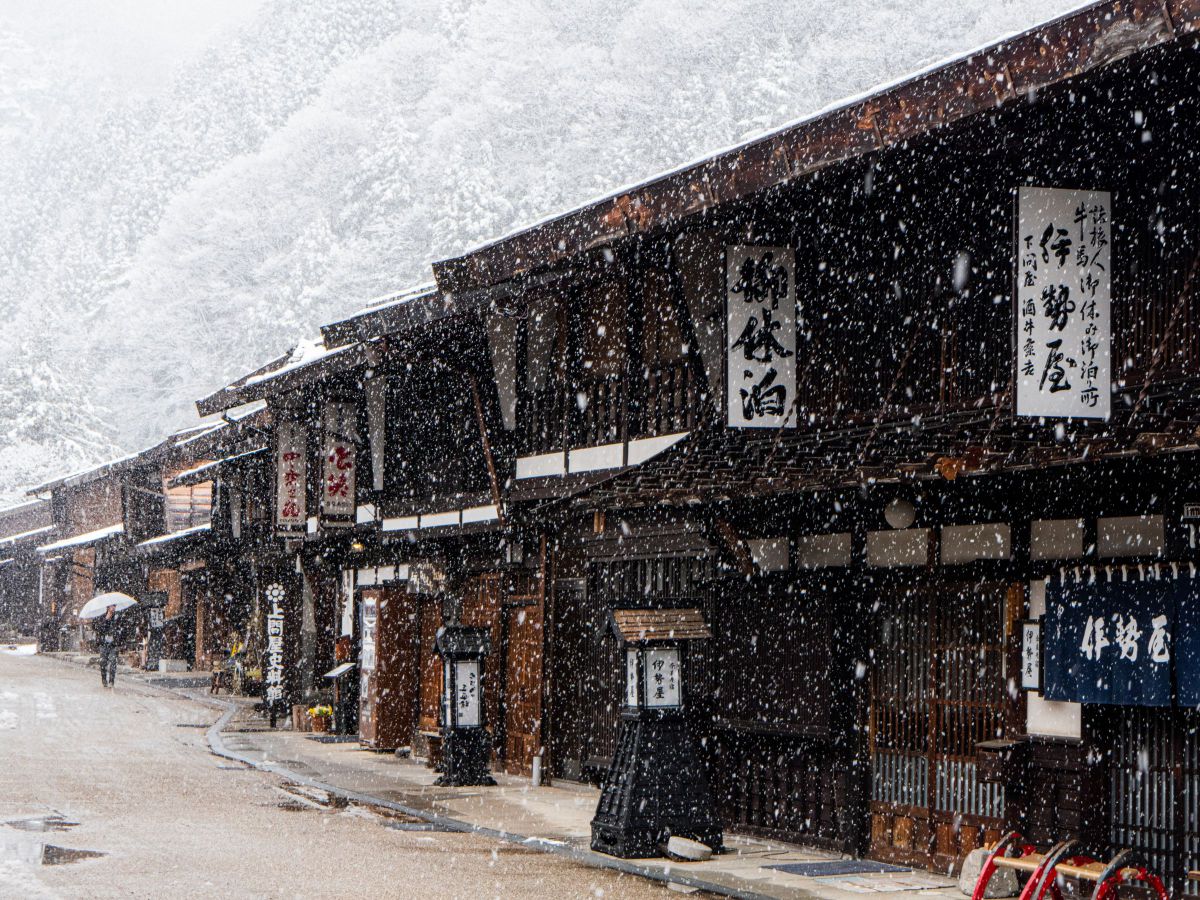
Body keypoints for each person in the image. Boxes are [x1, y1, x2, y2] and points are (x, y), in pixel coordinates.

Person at [93, 605, 119, 688]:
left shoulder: (117, 617)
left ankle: (111, 681)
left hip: (113, 643)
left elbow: (121, 628)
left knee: (113, 662)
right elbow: (98, 629)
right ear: (108, 608)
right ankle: (104, 679)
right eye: (112, 606)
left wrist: (117, 636)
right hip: (103, 643)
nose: (113, 608)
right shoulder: (102, 617)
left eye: (115, 606)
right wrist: (106, 620)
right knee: (103, 662)